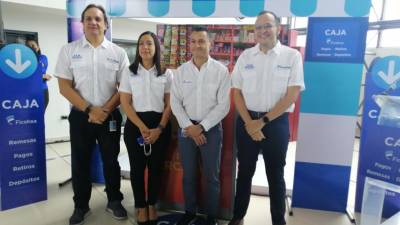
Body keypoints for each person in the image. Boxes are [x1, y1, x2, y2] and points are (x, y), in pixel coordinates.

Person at [228, 11, 305, 225]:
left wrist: (260, 123)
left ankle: (277, 221)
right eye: (259, 27)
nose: (262, 31)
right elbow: (237, 93)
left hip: (276, 123)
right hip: (246, 119)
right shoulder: (246, 56)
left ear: (278, 28)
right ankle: (237, 217)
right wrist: (249, 123)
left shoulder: (291, 56)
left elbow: (292, 94)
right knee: (244, 172)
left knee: (275, 175)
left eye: (267, 26)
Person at [54, 4, 128, 225]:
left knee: (111, 161)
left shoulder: (118, 53)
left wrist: (104, 110)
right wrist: (89, 109)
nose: (93, 22)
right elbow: (64, 87)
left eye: (97, 18)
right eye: (88, 18)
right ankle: (81, 206)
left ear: (106, 24)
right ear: (82, 23)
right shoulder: (69, 50)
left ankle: (114, 200)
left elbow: (124, 88)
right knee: (80, 162)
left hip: (110, 117)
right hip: (80, 117)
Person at [171, 26, 231, 225]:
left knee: (211, 176)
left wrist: (202, 127)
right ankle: (190, 212)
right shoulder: (181, 72)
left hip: (211, 130)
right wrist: (190, 127)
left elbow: (224, 106)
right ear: (190, 45)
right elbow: (175, 103)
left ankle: (211, 216)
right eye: (194, 41)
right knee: (189, 174)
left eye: (202, 41)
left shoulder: (221, 71)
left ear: (210, 44)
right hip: (187, 129)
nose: (197, 45)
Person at [119, 31, 172, 225]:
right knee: (137, 169)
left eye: (149, 43)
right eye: (141, 43)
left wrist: (159, 128)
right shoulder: (129, 71)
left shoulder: (166, 72)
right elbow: (125, 103)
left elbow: (169, 104)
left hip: (160, 125)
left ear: (156, 47)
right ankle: (140, 206)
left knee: (156, 168)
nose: (145, 47)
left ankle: (152, 205)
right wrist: (142, 126)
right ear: (138, 47)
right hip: (136, 125)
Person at [26, 38, 52, 110]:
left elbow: (42, 70)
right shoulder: (25, 60)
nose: (32, 47)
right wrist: (41, 76)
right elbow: (28, 74)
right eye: (29, 46)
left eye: (33, 45)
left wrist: (41, 76)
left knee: (42, 112)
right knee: (31, 113)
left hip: (43, 88)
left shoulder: (43, 58)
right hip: (30, 89)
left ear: (38, 47)